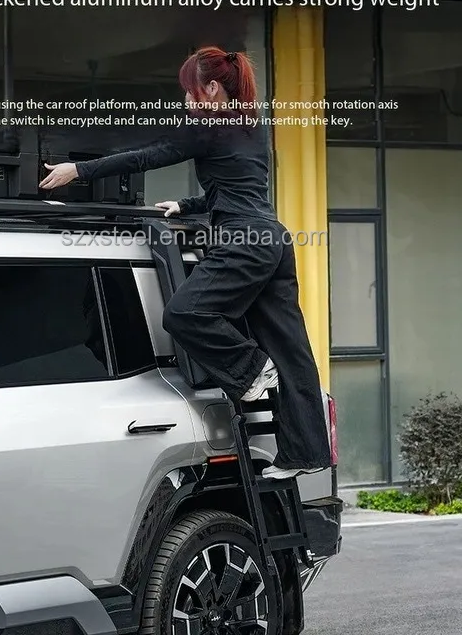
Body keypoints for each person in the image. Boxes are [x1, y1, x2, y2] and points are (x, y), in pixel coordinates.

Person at [40, 46, 332, 479]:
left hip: (242, 240)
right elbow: (239, 186)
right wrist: (188, 204)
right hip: (271, 237)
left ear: (212, 88)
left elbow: (149, 155)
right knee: (291, 349)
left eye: (190, 91)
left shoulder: (209, 126)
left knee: (184, 313)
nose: (187, 100)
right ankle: (306, 453)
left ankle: (252, 369)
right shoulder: (251, 125)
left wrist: (79, 171)